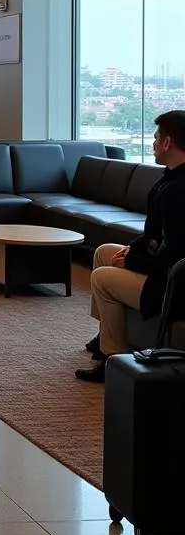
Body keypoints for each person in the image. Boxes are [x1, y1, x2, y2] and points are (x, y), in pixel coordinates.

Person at [75, 111, 185, 383]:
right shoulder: (170, 178)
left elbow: (174, 252)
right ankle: (106, 332)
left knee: (101, 278)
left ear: (168, 142)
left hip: (174, 284)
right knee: (105, 252)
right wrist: (132, 248)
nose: (153, 143)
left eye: (156, 138)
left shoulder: (178, 190)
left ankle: (111, 358)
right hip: (163, 266)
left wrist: (134, 260)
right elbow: (155, 231)